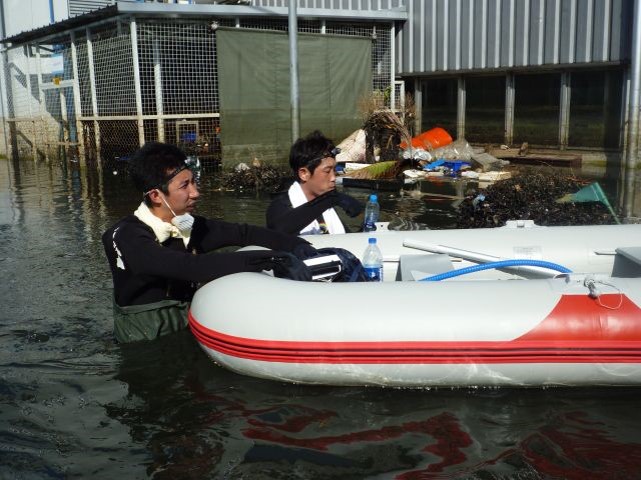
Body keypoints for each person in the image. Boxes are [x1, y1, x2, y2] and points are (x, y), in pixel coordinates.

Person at [102, 142, 316, 344]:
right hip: (143, 342)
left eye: (193, 181)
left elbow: (242, 233)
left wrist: (297, 245)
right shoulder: (126, 237)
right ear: (156, 196)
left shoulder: (187, 225)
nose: (196, 193)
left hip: (188, 327)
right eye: (185, 186)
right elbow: (189, 267)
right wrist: (269, 259)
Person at [266, 130, 363, 235]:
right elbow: (279, 230)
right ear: (304, 174)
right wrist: (330, 199)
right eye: (327, 171)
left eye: (334, 170)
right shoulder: (280, 206)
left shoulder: (329, 209)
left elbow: (344, 240)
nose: (333, 178)